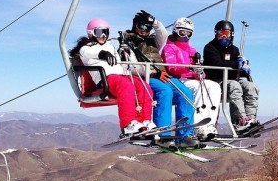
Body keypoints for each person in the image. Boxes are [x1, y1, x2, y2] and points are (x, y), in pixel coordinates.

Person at [119, 10, 196, 144]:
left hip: (163, 75)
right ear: (135, 26)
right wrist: (153, 73)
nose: (144, 30)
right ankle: (162, 134)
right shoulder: (128, 42)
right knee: (165, 92)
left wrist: (154, 22)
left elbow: (163, 34)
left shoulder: (152, 41)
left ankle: (185, 135)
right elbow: (131, 66)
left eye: (148, 27)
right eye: (141, 26)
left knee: (186, 94)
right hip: (146, 77)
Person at [70, 18, 154, 139]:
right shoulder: (85, 48)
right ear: (91, 33)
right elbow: (89, 54)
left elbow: (121, 64)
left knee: (144, 86)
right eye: (99, 32)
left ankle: (145, 121)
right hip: (106, 79)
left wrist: (126, 53)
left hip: (121, 76)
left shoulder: (110, 47)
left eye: (106, 32)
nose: (103, 36)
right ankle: (128, 124)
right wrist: (102, 54)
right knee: (126, 87)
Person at [162, 17, 221, 140]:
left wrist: (199, 72)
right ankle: (198, 125)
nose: (186, 36)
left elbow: (198, 69)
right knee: (197, 87)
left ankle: (209, 124)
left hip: (191, 78)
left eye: (189, 33)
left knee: (213, 86)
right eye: (183, 32)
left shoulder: (192, 50)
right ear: (176, 31)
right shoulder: (169, 48)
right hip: (177, 79)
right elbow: (172, 68)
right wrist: (189, 69)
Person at [202, 19, 259, 133]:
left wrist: (243, 69)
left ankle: (250, 117)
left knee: (251, 86)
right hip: (216, 80)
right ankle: (239, 120)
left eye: (226, 34)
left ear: (231, 35)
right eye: (220, 33)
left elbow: (236, 70)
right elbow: (215, 64)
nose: (223, 36)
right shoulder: (210, 48)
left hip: (231, 79)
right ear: (216, 33)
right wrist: (235, 64)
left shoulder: (234, 49)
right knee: (234, 86)